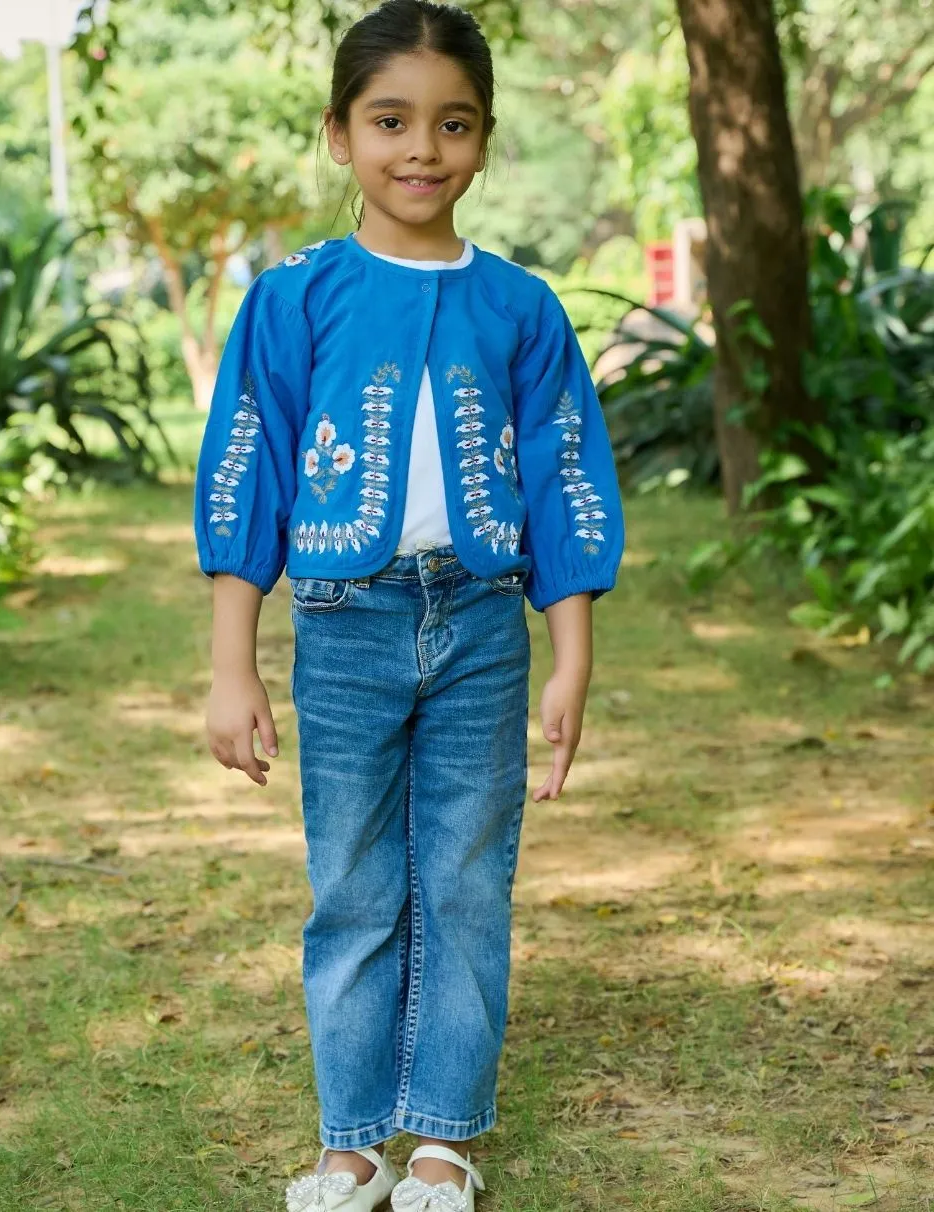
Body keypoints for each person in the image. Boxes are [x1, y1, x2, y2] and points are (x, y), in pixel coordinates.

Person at [193, 2, 625, 1208]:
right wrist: (234, 665)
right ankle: (349, 1140)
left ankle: (440, 1138)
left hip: (484, 624)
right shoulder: (296, 298)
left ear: (484, 141)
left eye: (452, 123)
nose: (420, 149)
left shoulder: (522, 307)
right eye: (390, 121)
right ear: (339, 134)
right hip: (344, 625)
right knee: (353, 885)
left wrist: (570, 654)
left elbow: (563, 470)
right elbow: (251, 465)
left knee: (468, 877)